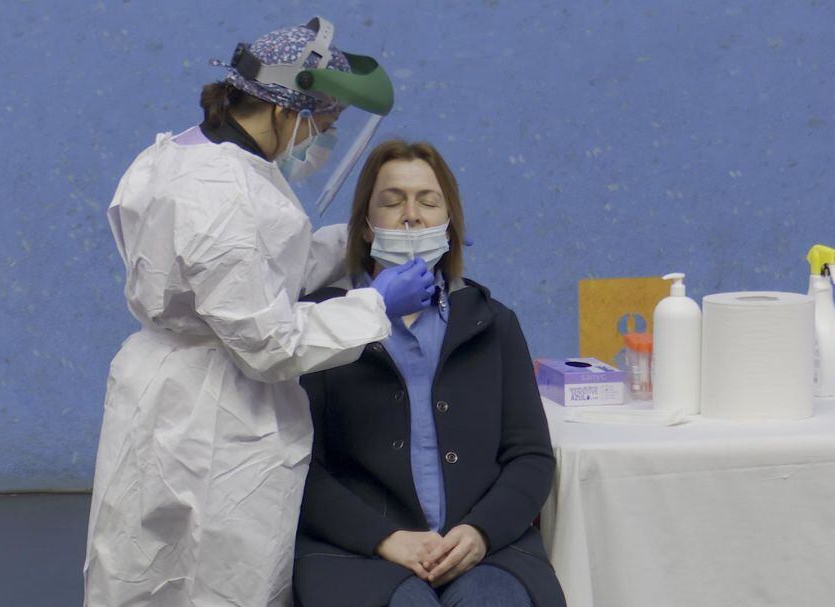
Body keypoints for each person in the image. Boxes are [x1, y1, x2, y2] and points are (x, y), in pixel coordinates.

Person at [83, 19, 437, 607]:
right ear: (285, 107)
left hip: (165, 391)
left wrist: (356, 242)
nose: (323, 138)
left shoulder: (183, 157)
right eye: (326, 122)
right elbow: (270, 341)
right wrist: (376, 304)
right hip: (216, 412)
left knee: (141, 566)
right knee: (220, 577)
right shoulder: (223, 193)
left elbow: (248, 276)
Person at [292, 140, 566, 607]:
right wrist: (384, 538)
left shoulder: (494, 323)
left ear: (449, 224)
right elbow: (299, 466)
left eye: (428, 201)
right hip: (355, 552)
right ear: (363, 227)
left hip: (487, 551)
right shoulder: (320, 326)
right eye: (392, 200)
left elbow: (531, 456)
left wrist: (479, 532)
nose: (411, 216)